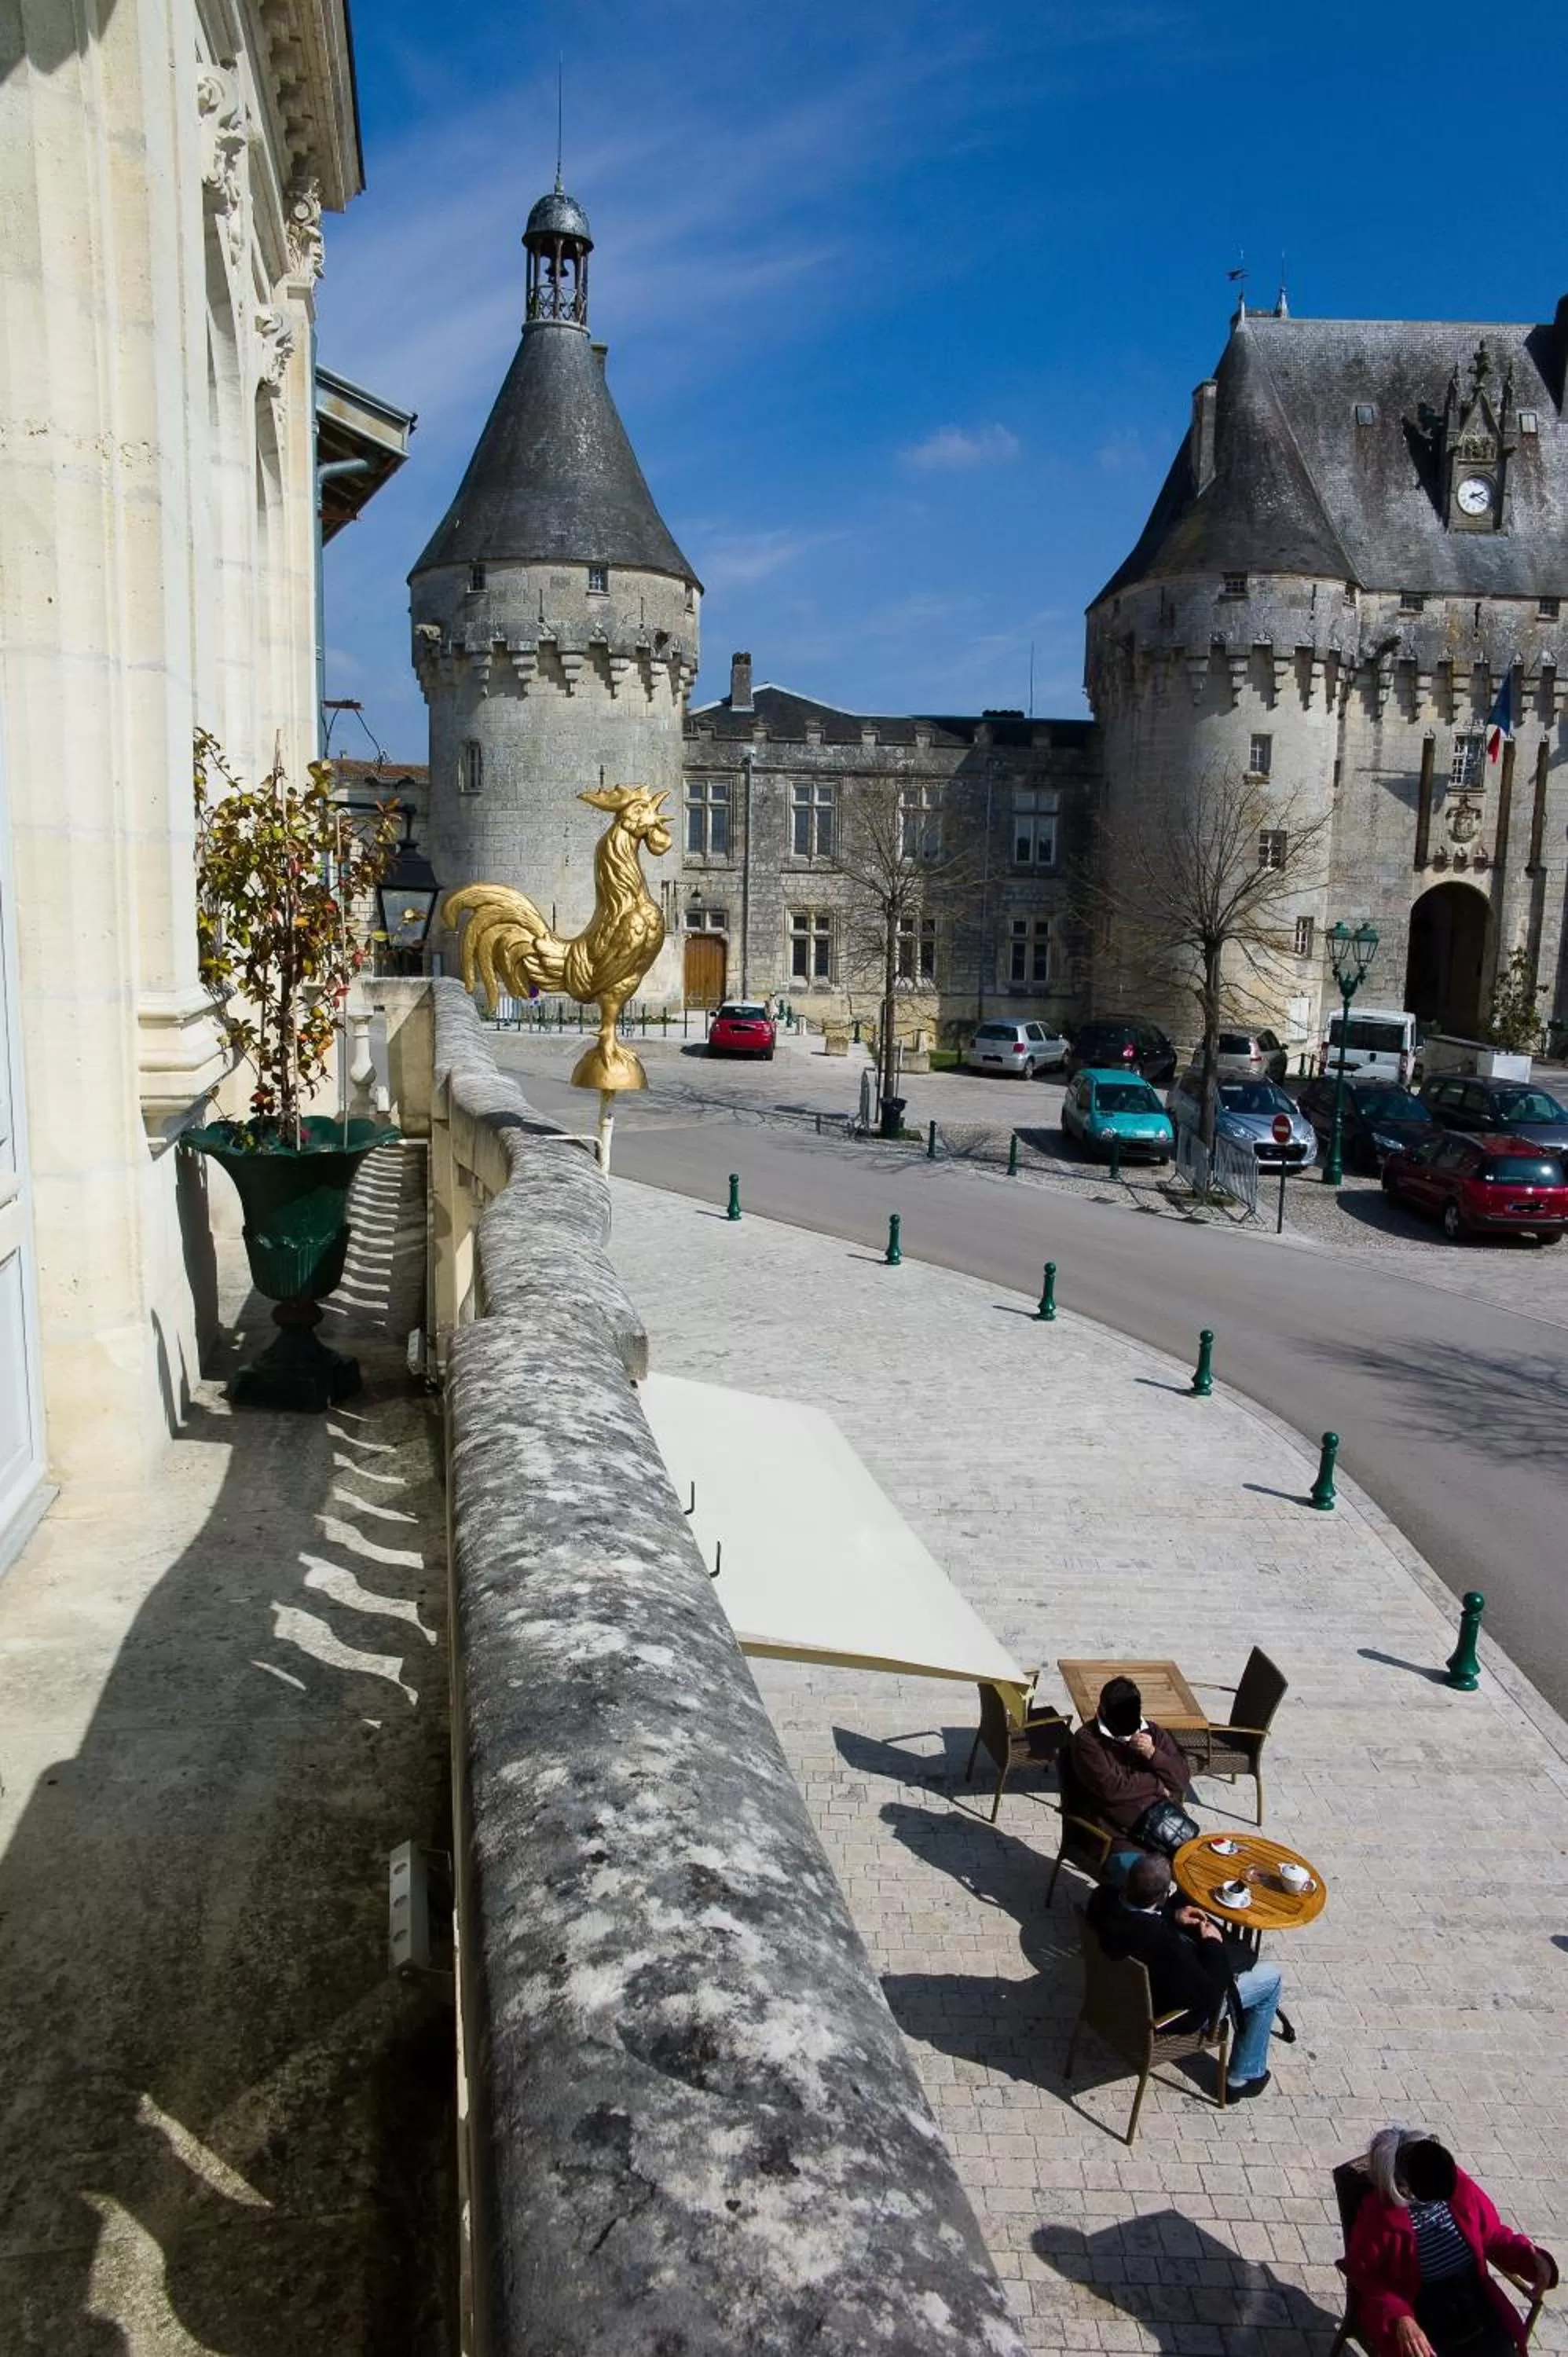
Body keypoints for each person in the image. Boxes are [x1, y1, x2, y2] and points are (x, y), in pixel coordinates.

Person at [1086, 1850, 1282, 2099]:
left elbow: (1138, 1916)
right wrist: (1214, 1944)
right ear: (1162, 1896)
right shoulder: (1161, 1941)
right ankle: (1242, 2077)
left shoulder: (1102, 1898)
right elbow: (1208, 1993)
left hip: (1112, 1995)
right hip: (1169, 2015)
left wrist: (1172, 1915)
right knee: (1271, 1978)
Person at [1346, 2130, 1558, 2357]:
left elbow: (1493, 2235)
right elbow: (1366, 2277)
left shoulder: (1460, 2188)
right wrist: (1400, 2316)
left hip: (1475, 2303)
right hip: (1421, 2309)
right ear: (1399, 2182)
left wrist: (1532, 2259)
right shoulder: (1379, 2216)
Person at [1068, 1675, 1197, 1868]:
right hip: (1118, 1836)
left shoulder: (1153, 1732)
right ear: (1102, 1710)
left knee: (1194, 1866)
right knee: (1152, 1875)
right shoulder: (1088, 1741)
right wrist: (1157, 1784)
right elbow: (1112, 1789)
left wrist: (1154, 1754)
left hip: (1165, 1825)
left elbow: (1180, 1781)